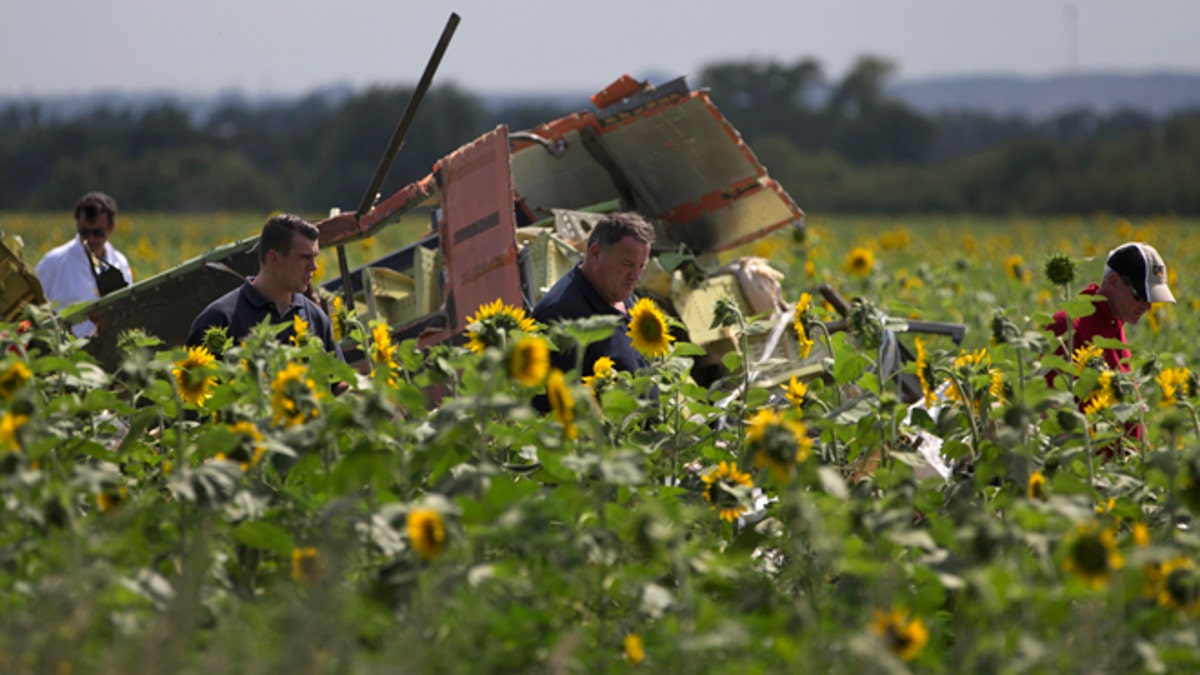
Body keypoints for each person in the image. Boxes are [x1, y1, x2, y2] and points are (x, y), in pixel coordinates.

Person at [1047, 241, 1176, 449]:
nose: (1148, 306)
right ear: (1113, 281)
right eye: (1139, 295)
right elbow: (1049, 410)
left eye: (1152, 298)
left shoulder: (1115, 322)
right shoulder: (1070, 325)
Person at [531, 212, 655, 408]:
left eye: (642, 266)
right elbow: (552, 411)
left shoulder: (617, 291)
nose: (636, 276)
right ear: (596, 254)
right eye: (627, 264)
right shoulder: (561, 316)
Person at [186, 213, 343, 361]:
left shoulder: (314, 316)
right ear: (274, 258)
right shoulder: (219, 319)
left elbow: (337, 382)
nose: (314, 267)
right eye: (305, 257)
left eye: (315, 257)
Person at [35, 191, 133, 337]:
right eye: (84, 232)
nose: (90, 239)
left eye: (98, 233)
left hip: (110, 351)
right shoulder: (54, 262)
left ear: (111, 227)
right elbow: (31, 309)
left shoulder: (120, 263)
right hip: (66, 353)